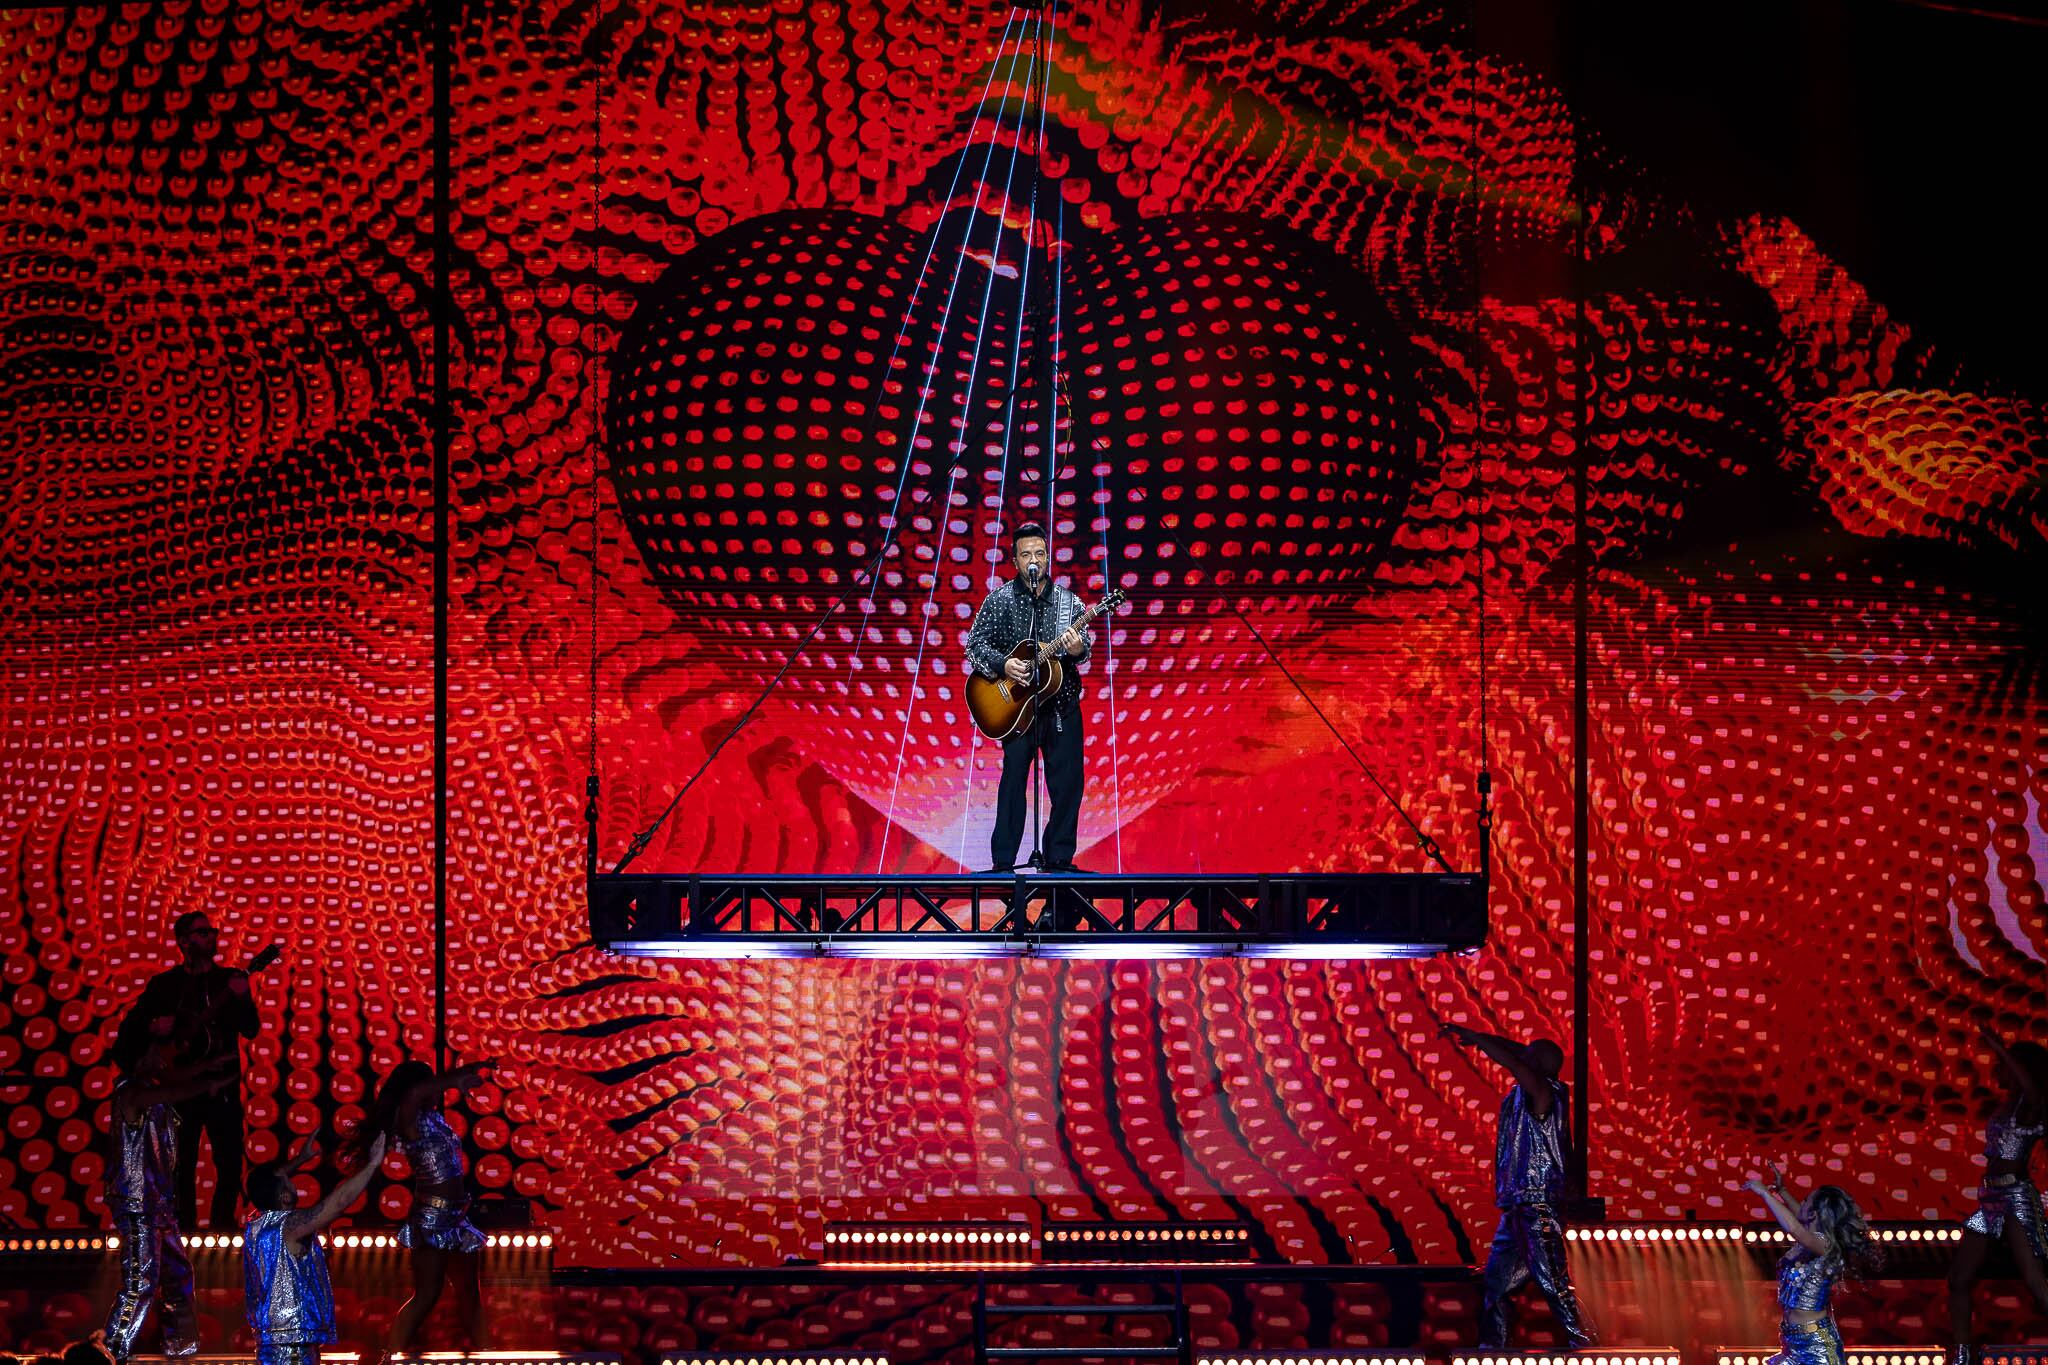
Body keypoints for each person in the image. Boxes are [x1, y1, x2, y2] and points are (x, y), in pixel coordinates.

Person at [1441, 1022, 1597, 1349]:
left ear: (1537, 1065)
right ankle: (1492, 1351)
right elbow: (1519, 1055)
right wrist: (1476, 1036)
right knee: (1496, 1287)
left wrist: (1478, 1038)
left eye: (1529, 1055)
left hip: (1538, 1208)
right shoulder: (1529, 1090)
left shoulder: (1546, 1094)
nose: (1520, 1054)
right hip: (1515, 1211)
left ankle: (1589, 1347)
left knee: (1554, 1282)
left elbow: (1517, 1062)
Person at [340, 1059, 498, 1359]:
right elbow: (414, 1093)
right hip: (431, 1217)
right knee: (427, 1294)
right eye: (430, 1083)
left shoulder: (433, 1117)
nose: (436, 1089)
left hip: (457, 1217)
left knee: (470, 1295)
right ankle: (390, 1356)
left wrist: (465, 1074)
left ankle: (487, 1354)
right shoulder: (408, 1116)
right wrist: (457, 1077)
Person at [102, 1008, 235, 1364]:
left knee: (178, 1276)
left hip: (159, 1204)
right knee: (140, 1285)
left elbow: (174, 1077)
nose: (164, 1060)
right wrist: (204, 1084)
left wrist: (206, 1070)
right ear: (142, 1057)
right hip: (136, 1203)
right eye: (157, 1055)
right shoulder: (130, 1093)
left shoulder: (154, 1087)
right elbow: (172, 1089)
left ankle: (181, 1348)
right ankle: (111, 1353)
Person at [964, 520, 1093, 872]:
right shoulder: (1000, 600)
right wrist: (1004, 665)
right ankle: (1003, 864)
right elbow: (974, 646)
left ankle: (1059, 861)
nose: (1033, 560)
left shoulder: (1070, 603)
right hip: (1016, 708)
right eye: (1026, 555)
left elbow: (1085, 654)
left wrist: (1079, 647)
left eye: (1039, 553)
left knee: (1067, 787)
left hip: (1062, 706)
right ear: (1015, 560)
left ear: (1048, 557)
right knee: (1012, 785)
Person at [132, 911, 259, 1228]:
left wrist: (243, 999)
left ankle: (221, 1227)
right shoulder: (165, 986)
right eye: (203, 932)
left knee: (229, 1163)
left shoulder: (227, 980)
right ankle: (183, 1229)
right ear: (184, 941)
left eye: (212, 932)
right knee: (180, 1164)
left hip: (221, 1087)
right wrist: (154, 1027)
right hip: (179, 1090)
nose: (211, 937)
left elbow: (252, 1029)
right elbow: (132, 1029)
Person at [1947, 1026, 2048, 1364]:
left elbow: (2033, 1090)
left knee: (2036, 1284)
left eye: (2003, 1065)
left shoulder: (2033, 1105)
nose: (1996, 1070)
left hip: (2015, 1198)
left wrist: (2002, 1048)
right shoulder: (2007, 1104)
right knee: (1959, 1279)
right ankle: (1963, 1357)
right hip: (1990, 1200)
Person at [243, 1130, 388, 1365]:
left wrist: (300, 1160)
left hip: (274, 1345)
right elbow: (338, 1203)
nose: (293, 1183)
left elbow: (267, 1183)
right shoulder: (288, 1226)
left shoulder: (255, 1225)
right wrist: (371, 1165)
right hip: (291, 1351)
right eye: (289, 1181)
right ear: (283, 1197)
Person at [1741, 1163, 1882, 1365]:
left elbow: (1795, 1228)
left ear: (1814, 1213)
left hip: (1816, 1348)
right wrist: (1782, 1191)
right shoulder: (1812, 1239)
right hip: (1792, 1343)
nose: (1801, 1203)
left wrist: (1765, 1194)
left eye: (1806, 1200)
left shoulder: (1824, 1244)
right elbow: (1802, 1218)